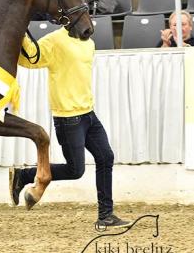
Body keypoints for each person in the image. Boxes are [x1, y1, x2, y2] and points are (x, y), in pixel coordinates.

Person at [9, 26, 131, 229]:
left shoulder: (89, 44)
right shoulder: (56, 39)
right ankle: (25, 175)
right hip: (68, 118)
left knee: (105, 157)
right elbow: (32, 56)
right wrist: (20, 31)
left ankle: (106, 216)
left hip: (89, 114)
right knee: (75, 170)